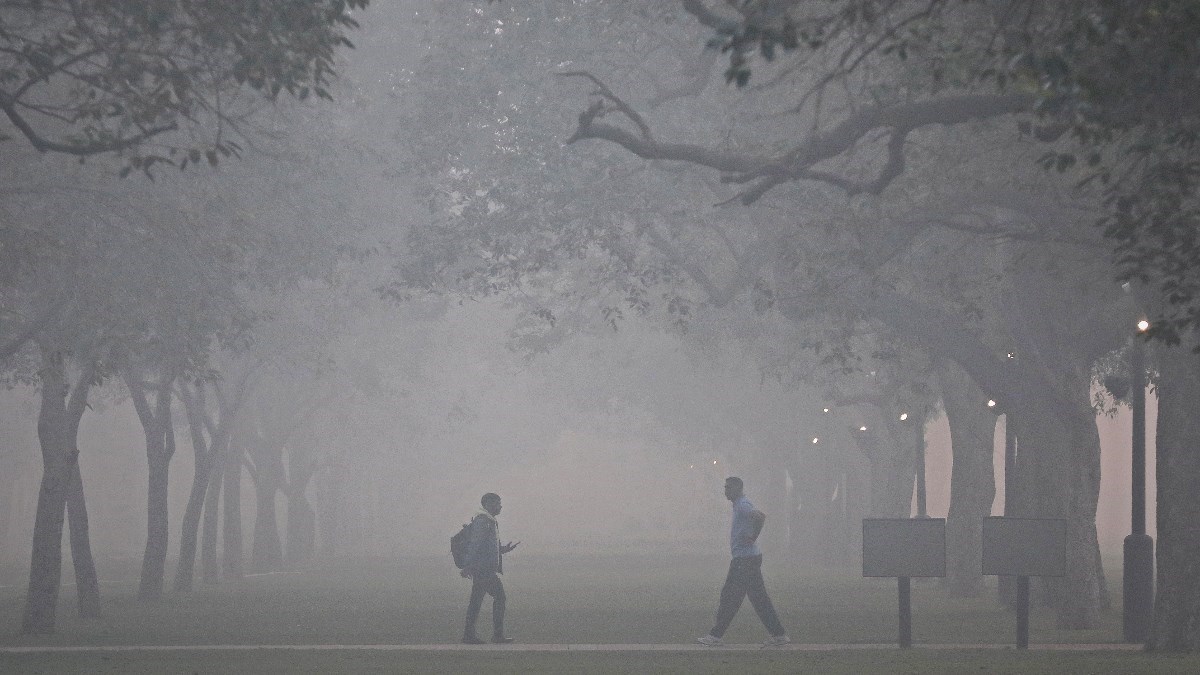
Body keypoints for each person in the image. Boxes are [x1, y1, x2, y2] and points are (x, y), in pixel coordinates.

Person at [696, 476, 790, 647]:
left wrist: (754, 536)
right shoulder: (739, 505)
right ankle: (779, 635)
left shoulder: (742, 505)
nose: (726, 491)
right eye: (725, 487)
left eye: (729, 488)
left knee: (730, 597)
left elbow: (760, 516)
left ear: (738, 489)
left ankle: (715, 636)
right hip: (747, 559)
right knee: (759, 599)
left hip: (745, 561)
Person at [461, 492, 519, 644]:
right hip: (484, 570)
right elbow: (476, 545)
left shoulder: (488, 520)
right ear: (488, 504)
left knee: (476, 601)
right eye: (497, 503)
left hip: (483, 569)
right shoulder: (484, 521)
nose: (500, 506)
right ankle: (496, 635)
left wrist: (502, 550)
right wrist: (467, 565)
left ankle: (469, 635)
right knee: (499, 597)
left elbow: (486, 546)